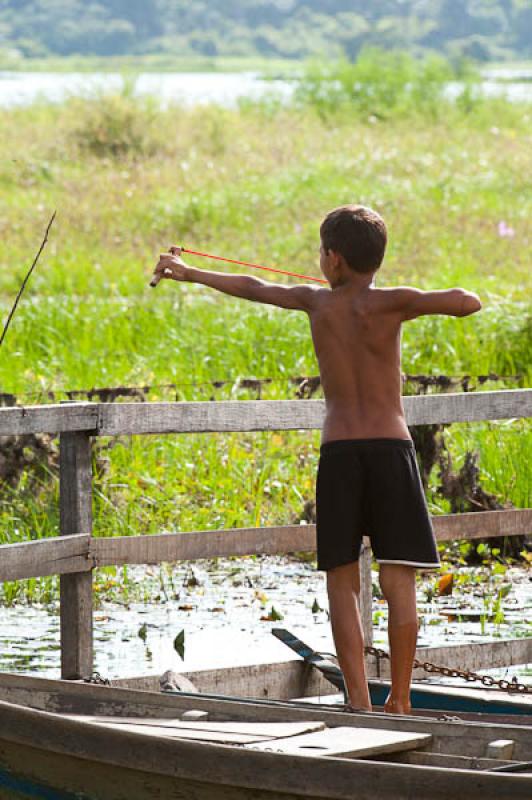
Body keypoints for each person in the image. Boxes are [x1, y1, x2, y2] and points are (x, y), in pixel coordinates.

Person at [151, 204, 482, 714]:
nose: (319, 260)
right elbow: (468, 302)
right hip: (391, 448)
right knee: (399, 579)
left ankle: (358, 702)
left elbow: (254, 286)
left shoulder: (316, 302)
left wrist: (189, 272)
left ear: (334, 259)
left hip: (342, 450)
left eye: (322, 251)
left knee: (343, 580)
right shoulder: (393, 303)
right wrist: (402, 297)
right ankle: (399, 700)